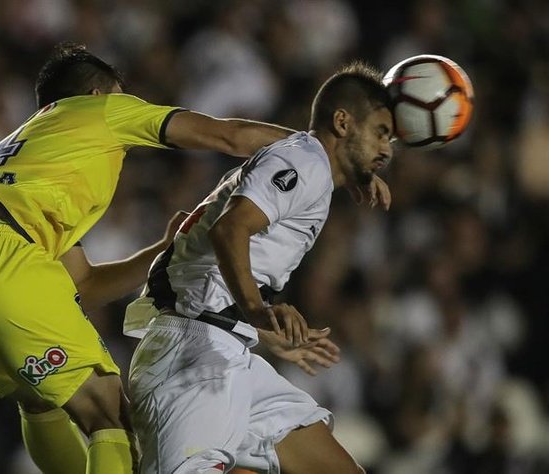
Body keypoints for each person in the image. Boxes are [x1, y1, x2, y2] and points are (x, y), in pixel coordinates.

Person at [0, 42, 297, 474]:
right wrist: (317, 152)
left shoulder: (33, 153)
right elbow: (229, 135)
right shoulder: (100, 110)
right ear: (98, 95)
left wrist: (163, 251)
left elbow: (81, 286)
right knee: (107, 412)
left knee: (38, 398)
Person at [124, 62, 394, 474]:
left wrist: (255, 323)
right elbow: (230, 229)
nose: (387, 150)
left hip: (227, 345)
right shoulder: (305, 164)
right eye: (380, 132)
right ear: (342, 122)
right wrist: (257, 311)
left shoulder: (308, 162)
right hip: (193, 352)